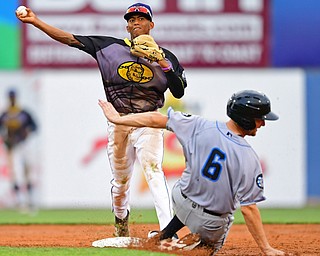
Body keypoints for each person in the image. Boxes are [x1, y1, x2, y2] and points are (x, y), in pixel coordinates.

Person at [16, 3, 187, 236]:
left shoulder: (167, 57)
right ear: (126, 26)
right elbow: (69, 38)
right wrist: (35, 22)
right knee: (121, 182)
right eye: (131, 19)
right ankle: (121, 222)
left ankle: (169, 232)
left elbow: (178, 92)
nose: (136, 22)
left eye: (141, 18)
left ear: (151, 24)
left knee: (153, 169)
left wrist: (164, 64)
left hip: (148, 120)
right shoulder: (109, 46)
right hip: (119, 120)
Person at [98, 90, 286, 255]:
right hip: (210, 222)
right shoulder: (248, 157)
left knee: (191, 184)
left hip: (181, 200)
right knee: (208, 247)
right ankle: (176, 247)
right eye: (260, 118)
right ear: (246, 118)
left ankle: (164, 234)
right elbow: (249, 208)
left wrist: (118, 119)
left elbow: (154, 119)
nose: (262, 123)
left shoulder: (199, 125)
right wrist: (266, 248)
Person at [0, 89, 37, 211]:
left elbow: (35, 127)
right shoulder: (5, 114)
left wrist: (27, 132)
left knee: (28, 171)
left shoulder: (23, 113)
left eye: (13, 97)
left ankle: (30, 200)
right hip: (13, 146)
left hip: (24, 144)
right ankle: (19, 201)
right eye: (10, 97)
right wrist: (5, 139)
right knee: (16, 172)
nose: (12, 99)